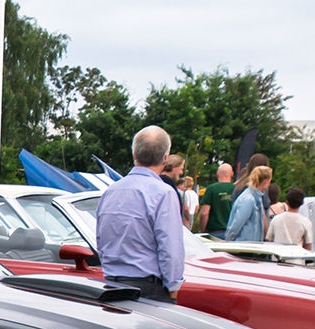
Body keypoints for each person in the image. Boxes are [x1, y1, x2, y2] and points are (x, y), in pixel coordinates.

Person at [94, 125, 185, 302]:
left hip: (111, 285)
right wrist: (173, 287)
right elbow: (170, 249)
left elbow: (101, 240)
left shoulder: (110, 192)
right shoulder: (163, 193)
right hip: (148, 289)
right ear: (165, 158)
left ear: (134, 154)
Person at [224, 165, 271, 241]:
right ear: (266, 181)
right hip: (243, 247)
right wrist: (228, 241)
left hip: (250, 246)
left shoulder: (257, 198)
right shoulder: (248, 199)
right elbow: (237, 224)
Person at [199, 162, 234, 233]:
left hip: (214, 232)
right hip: (233, 232)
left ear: (217, 174)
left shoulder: (211, 189)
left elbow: (204, 213)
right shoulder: (237, 189)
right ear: (232, 174)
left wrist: (202, 230)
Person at [160, 154, 187, 222]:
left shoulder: (157, 181)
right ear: (174, 167)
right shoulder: (168, 187)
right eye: (181, 169)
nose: (181, 172)